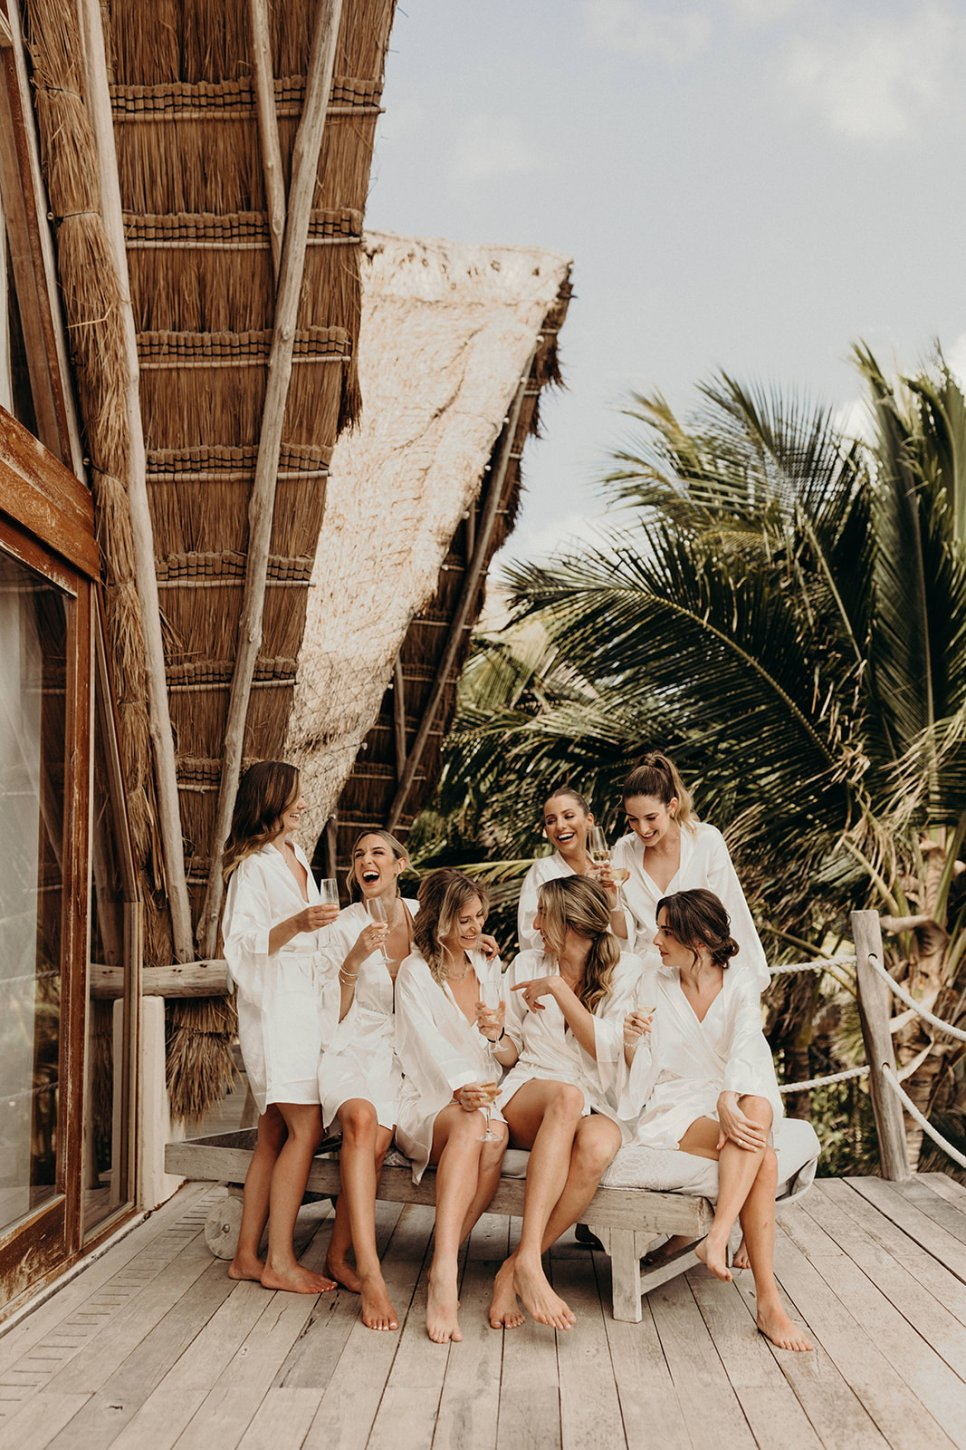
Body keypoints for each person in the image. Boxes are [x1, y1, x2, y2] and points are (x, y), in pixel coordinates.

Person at [621, 888, 813, 1352]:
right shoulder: (652, 983)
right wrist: (630, 1040)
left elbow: (747, 1040)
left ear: (700, 939)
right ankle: (767, 1300)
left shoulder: (740, 980)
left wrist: (728, 1095)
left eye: (667, 932)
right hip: (677, 1101)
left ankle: (718, 1232)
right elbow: (639, 1067)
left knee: (758, 1107)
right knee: (764, 1159)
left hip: (731, 1087)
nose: (656, 940)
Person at [487, 876, 644, 1332]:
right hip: (530, 1089)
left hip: (593, 1096)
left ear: (572, 922)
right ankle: (530, 1265)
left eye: (543, 914)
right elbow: (511, 1050)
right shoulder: (525, 963)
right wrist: (495, 1036)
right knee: (566, 1097)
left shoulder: (626, 970)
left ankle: (518, 1265)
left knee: (598, 1145)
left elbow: (607, 1051)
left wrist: (558, 988)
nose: (534, 925)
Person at [221, 761, 341, 1293]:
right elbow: (240, 945)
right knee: (305, 1128)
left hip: (306, 1007)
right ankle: (281, 1261)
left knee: (272, 1132)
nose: (304, 804)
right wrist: (297, 923)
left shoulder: (295, 855)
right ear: (270, 799)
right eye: (295, 796)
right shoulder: (252, 868)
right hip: (276, 1011)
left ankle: (246, 1255)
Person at [395, 870, 509, 1344]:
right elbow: (420, 1045)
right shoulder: (415, 972)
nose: (475, 927)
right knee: (469, 1124)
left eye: (479, 916)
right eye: (464, 919)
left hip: (484, 1096)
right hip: (428, 1096)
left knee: (494, 1137)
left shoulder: (488, 966)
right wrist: (460, 1087)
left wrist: (496, 1035)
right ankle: (445, 1274)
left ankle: (444, 1255)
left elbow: (506, 1047)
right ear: (438, 919)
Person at [316, 830, 417, 1331]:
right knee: (360, 1118)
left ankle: (337, 1257)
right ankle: (371, 1273)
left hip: (405, 1055)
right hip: (353, 1044)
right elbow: (328, 1014)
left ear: (400, 864)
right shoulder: (342, 926)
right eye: (358, 855)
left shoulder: (424, 915)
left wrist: (479, 947)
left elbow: (456, 962)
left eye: (377, 852)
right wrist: (353, 960)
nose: (365, 861)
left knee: (376, 1141)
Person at [612, 752, 769, 991]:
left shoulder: (706, 841)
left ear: (672, 806)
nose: (642, 829)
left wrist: (743, 985)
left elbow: (731, 911)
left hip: (702, 974)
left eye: (651, 817)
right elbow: (623, 932)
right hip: (647, 980)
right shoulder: (624, 850)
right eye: (633, 819)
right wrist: (609, 894)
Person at [517, 786, 631, 953]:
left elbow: (627, 935)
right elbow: (531, 939)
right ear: (546, 830)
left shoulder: (611, 869)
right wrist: (583, 891)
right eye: (551, 821)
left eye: (568, 816)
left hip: (615, 962)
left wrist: (613, 903)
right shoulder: (541, 872)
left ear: (589, 821)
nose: (560, 826)